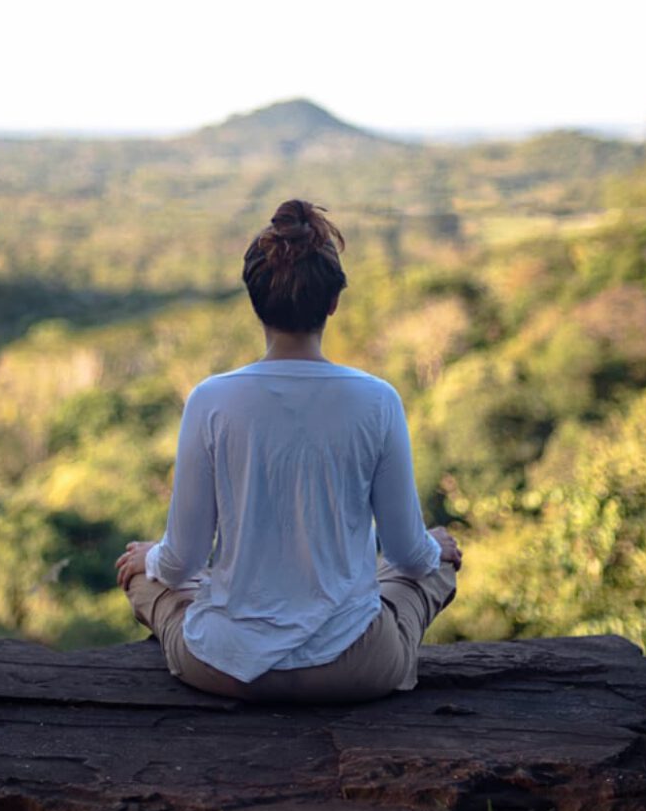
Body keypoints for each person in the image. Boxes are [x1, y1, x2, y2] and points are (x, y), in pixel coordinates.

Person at [115, 199, 461, 702]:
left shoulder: (210, 399)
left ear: (256, 300)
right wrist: (434, 549)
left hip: (226, 667)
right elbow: (408, 556)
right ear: (332, 303)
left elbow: (182, 562)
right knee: (435, 560)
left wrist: (152, 558)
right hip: (357, 668)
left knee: (146, 577)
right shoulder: (377, 400)